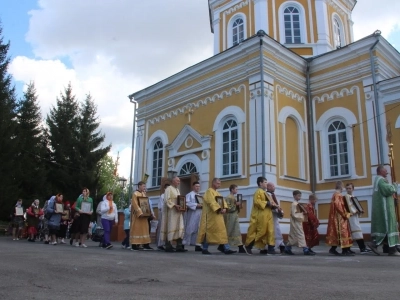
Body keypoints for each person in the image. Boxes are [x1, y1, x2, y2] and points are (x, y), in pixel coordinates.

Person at [196, 178, 236, 255]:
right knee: (209, 232)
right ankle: (205, 248)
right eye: (218, 183)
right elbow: (211, 202)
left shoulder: (218, 193)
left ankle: (225, 248)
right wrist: (219, 209)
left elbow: (223, 201)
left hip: (218, 216)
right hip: (210, 216)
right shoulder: (209, 192)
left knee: (222, 231)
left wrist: (225, 208)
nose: (219, 185)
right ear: (213, 183)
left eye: (219, 183)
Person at [368, 166, 400, 256]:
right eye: (385, 171)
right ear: (380, 171)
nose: (387, 173)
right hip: (385, 209)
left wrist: (393, 200)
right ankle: (388, 248)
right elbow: (388, 190)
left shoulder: (378, 180)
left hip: (383, 207)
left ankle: (390, 248)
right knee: (388, 227)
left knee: (387, 228)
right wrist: (395, 185)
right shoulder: (381, 180)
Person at [245, 177, 276, 255]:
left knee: (270, 231)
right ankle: (248, 246)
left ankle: (270, 249)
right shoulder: (258, 192)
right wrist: (267, 203)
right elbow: (257, 202)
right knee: (260, 232)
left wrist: (274, 205)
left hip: (268, 215)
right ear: (260, 183)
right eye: (265, 182)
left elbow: (271, 202)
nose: (266, 183)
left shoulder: (265, 193)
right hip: (260, 216)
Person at [326, 181, 353, 256]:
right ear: (341, 187)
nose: (343, 189)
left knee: (338, 233)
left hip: (336, 217)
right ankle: (344, 250)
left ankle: (334, 249)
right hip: (339, 218)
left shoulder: (335, 195)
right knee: (343, 233)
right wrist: (345, 214)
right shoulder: (337, 195)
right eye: (343, 187)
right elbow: (339, 206)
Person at [344, 183, 371, 254]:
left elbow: (355, 205)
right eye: (347, 188)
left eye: (350, 188)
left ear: (353, 189)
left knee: (354, 232)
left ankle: (350, 248)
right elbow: (349, 206)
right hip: (351, 216)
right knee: (356, 231)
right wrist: (356, 211)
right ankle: (362, 248)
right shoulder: (346, 196)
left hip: (354, 216)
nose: (348, 190)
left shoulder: (352, 196)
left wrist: (360, 210)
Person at [284, 190, 314, 255]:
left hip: (297, 222)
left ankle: (287, 248)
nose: (299, 197)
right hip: (296, 222)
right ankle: (305, 250)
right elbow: (294, 214)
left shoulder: (297, 204)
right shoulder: (294, 204)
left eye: (300, 196)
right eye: (298, 196)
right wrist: (302, 214)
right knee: (301, 235)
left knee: (294, 236)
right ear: (294, 196)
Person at [160, 177, 185, 252]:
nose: (179, 182)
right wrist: (174, 205)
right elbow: (166, 200)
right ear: (173, 181)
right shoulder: (168, 189)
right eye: (177, 181)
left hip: (178, 212)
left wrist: (182, 206)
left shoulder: (177, 190)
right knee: (170, 226)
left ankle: (179, 245)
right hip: (171, 212)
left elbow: (180, 200)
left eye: (179, 181)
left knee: (180, 227)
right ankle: (168, 245)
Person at [130, 181, 153, 251]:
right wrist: (140, 213)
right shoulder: (135, 194)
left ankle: (145, 244)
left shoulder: (144, 194)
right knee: (136, 229)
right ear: (139, 186)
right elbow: (135, 204)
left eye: (145, 186)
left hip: (144, 216)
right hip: (138, 216)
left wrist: (149, 212)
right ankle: (134, 245)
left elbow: (146, 204)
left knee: (145, 230)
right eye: (143, 186)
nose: (144, 187)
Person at [223, 184, 245, 253]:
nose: (237, 190)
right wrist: (236, 205)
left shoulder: (234, 197)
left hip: (234, 216)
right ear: (232, 189)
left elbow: (236, 207)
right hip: (230, 217)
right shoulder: (229, 197)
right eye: (236, 189)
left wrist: (239, 204)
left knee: (236, 231)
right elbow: (228, 208)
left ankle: (240, 247)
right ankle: (224, 246)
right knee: (230, 231)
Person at [183, 181, 203, 251]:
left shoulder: (200, 196)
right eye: (196, 186)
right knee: (189, 228)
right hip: (192, 214)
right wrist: (196, 205)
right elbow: (186, 203)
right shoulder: (189, 195)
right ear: (193, 187)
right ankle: (184, 244)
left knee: (197, 229)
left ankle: (197, 245)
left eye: (199, 186)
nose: (198, 188)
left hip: (199, 213)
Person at [266, 182, 285, 254]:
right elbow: (272, 205)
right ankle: (275, 247)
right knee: (274, 232)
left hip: (274, 216)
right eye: (273, 186)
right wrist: (278, 210)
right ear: (269, 187)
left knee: (276, 231)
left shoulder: (272, 194)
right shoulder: (268, 195)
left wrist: (280, 211)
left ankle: (281, 246)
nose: (274, 187)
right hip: (270, 216)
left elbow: (276, 204)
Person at [156, 183, 170, 251]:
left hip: (169, 214)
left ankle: (166, 243)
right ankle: (160, 244)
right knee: (162, 228)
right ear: (164, 189)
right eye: (167, 188)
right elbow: (161, 207)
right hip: (163, 214)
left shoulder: (170, 196)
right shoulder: (162, 196)